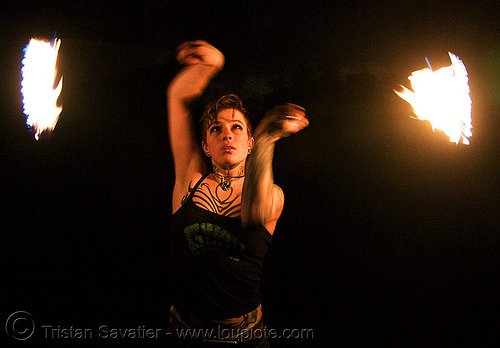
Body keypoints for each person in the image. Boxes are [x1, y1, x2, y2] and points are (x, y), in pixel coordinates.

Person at [167, 40, 308, 347]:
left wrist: (269, 134)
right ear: (205, 145)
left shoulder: (272, 195)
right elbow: (178, 97)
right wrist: (210, 65)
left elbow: (254, 211)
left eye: (237, 128)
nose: (226, 134)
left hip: (244, 341)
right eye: (216, 129)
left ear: (250, 143)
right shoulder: (188, 182)